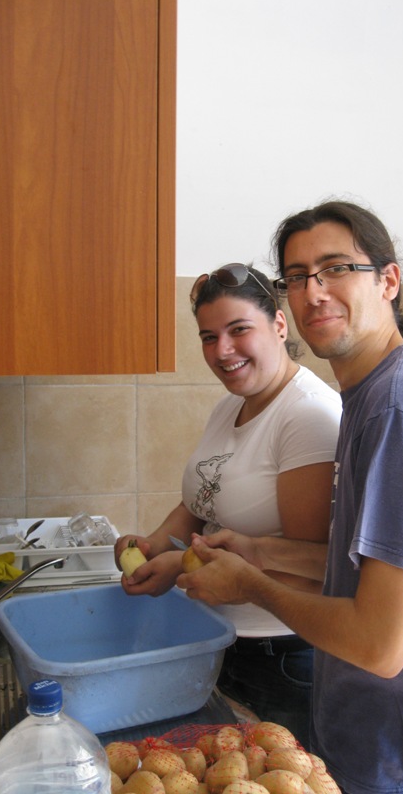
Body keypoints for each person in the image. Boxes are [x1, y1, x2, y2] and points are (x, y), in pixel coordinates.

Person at [177, 202, 403, 794]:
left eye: (335, 268)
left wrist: (251, 585)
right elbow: (367, 570)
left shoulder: (402, 408)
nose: (314, 291)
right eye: (297, 276)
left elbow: (379, 644)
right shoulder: (375, 394)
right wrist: (259, 551)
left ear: (388, 280)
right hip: (390, 743)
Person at [115, 262, 343, 749]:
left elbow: (312, 568)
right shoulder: (231, 405)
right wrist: (152, 545)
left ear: (278, 325)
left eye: (239, 330)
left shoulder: (307, 417)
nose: (222, 351)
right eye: (208, 337)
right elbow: (201, 501)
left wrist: (183, 568)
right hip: (223, 639)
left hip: (282, 654)